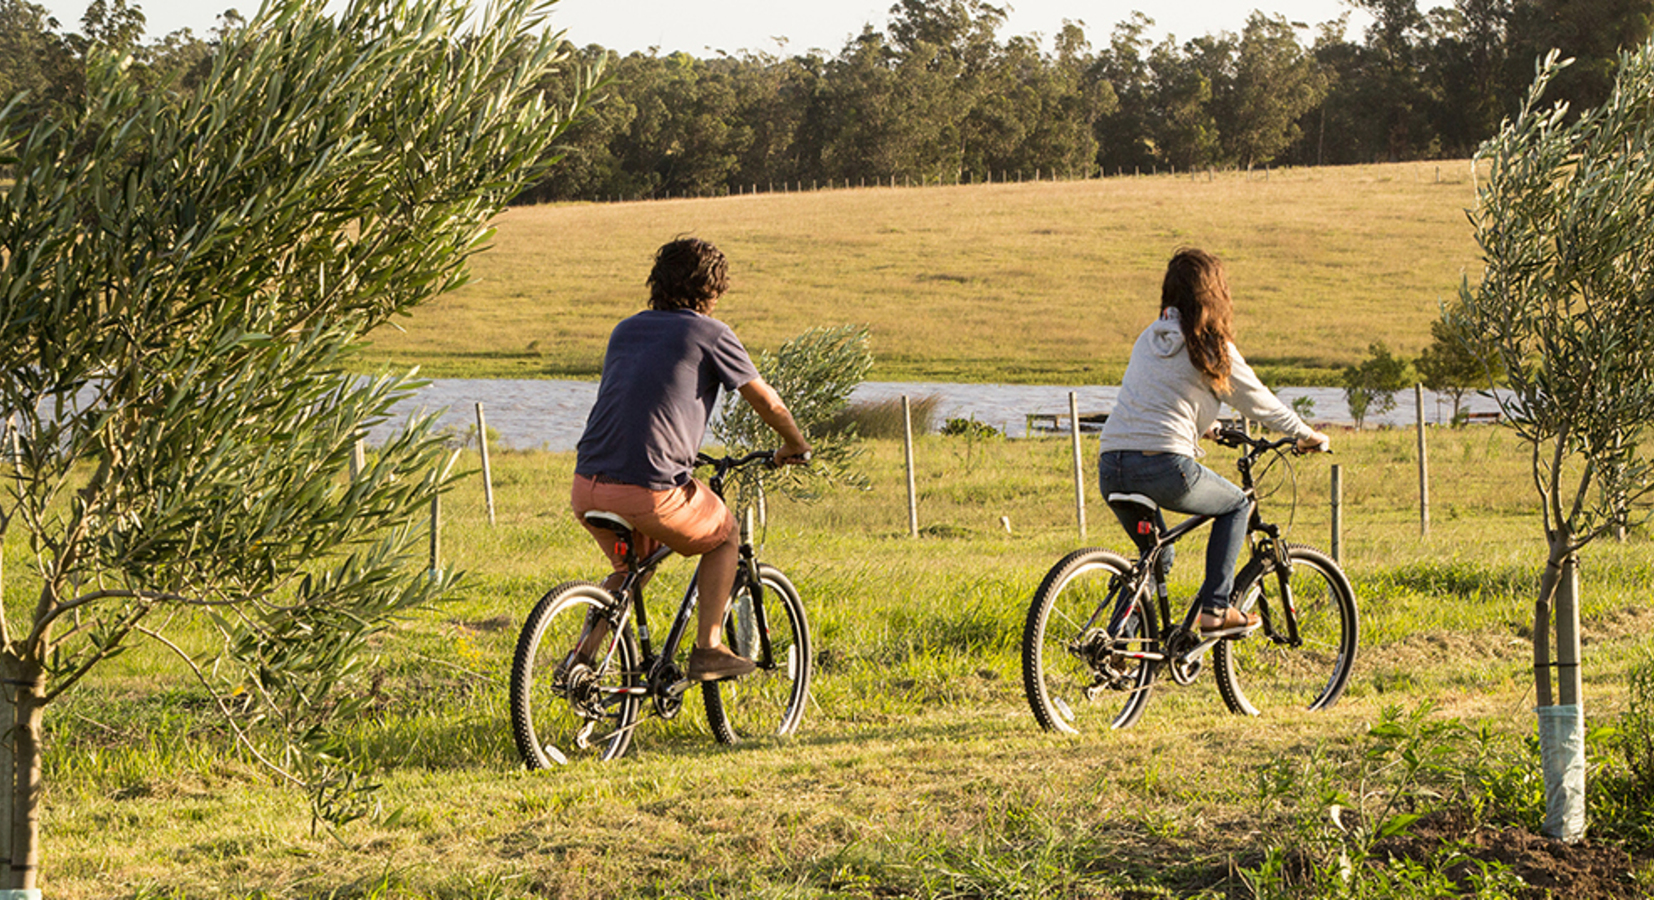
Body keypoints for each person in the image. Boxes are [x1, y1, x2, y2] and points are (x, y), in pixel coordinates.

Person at [569, 237, 810, 681]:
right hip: (650, 489)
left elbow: (643, 397)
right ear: (712, 290)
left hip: (587, 485)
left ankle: (582, 659)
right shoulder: (710, 333)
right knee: (724, 536)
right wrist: (795, 444)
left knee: (631, 568)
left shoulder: (625, 329)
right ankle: (710, 648)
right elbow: (766, 402)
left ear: (657, 282)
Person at [1097, 248, 1328, 637]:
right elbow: (1260, 401)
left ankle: (1116, 646)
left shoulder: (1149, 338)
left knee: (1157, 557)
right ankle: (1216, 610)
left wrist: (1205, 426)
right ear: (1213, 296)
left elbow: (1161, 396)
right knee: (1238, 505)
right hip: (1164, 465)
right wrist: (1306, 435)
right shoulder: (1209, 343)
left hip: (1112, 464)